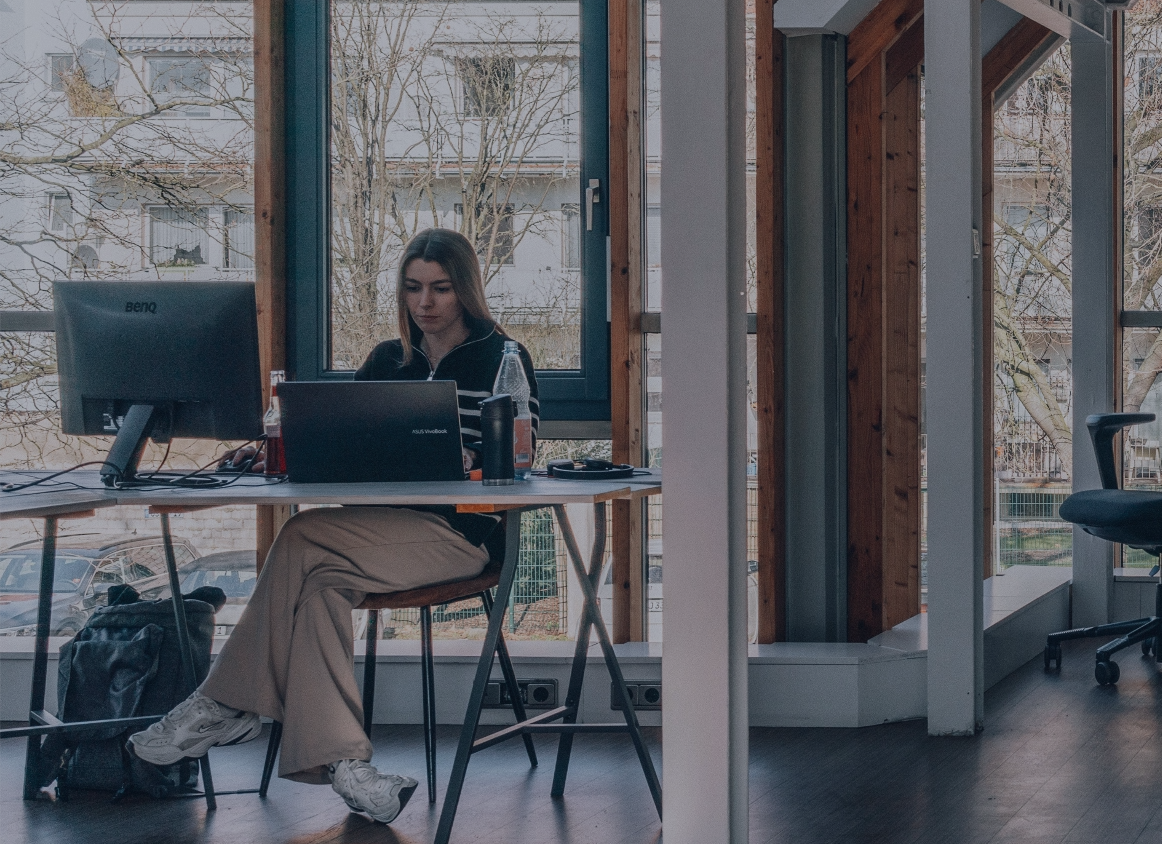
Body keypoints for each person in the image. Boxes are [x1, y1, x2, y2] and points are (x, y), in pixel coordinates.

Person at [129, 229, 538, 825]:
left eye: (441, 289)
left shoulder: (504, 358)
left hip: (457, 538)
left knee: (299, 535)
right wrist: (281, 444)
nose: (424, 303)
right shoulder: (385, 360)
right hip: (371, 534)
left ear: (466, 292)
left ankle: (224, 702)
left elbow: (522, 457)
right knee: (320, 593)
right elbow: (348, 441)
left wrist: (475, 463)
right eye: (413, 287)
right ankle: (349, 767)